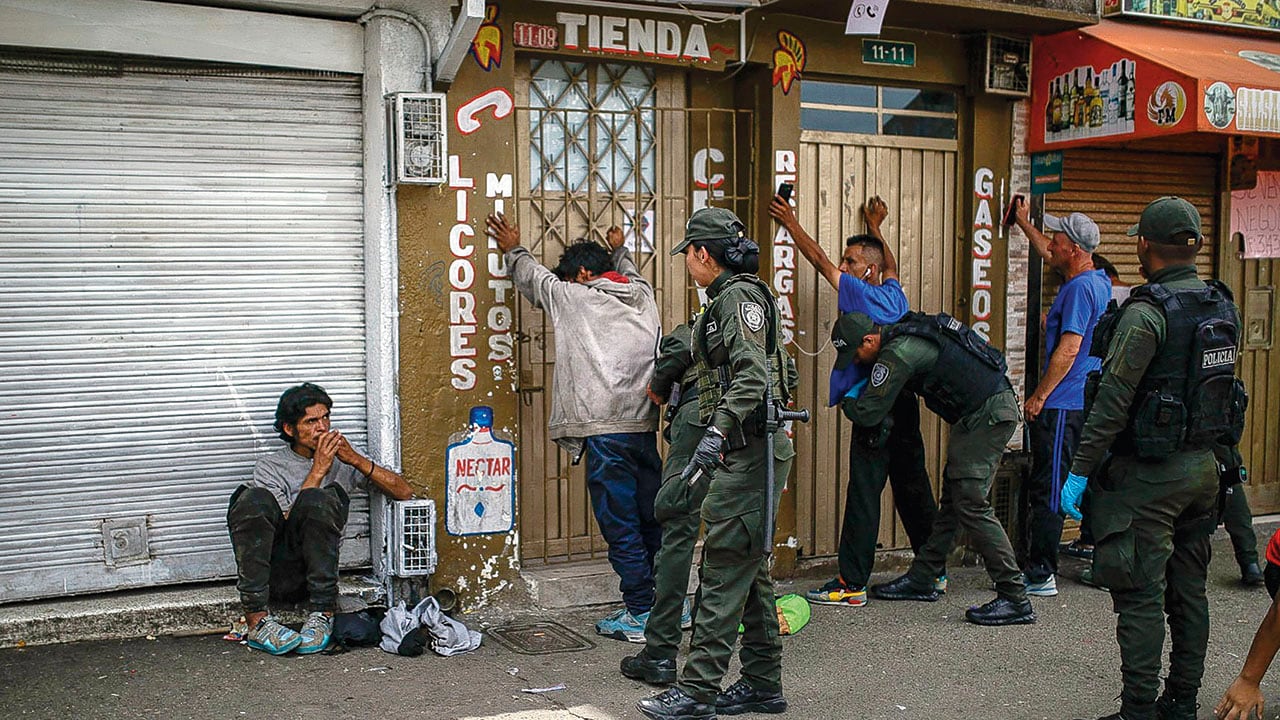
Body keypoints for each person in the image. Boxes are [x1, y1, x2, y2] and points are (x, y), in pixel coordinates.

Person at [1061, 196, 1244, 720]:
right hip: (1204, 472)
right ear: (1196, 245)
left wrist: (1079, 472)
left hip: (1150, 479)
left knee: (1141, 596)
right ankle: (1182, 703)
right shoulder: (1221, 305)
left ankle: (1138, 710)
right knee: (1189, 593)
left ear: (1143, 244)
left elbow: (1112, 402)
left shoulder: (1146, 314)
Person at [637, 207, 795, 720]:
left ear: (703, 254)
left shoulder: (734, 299)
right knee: (750, 574)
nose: (688, 263)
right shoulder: (732, 297)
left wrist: (716, 432)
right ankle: (762, 684)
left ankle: (698, 690)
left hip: (750, 453)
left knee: (723, 569)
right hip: (750, 451)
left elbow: (753, 376)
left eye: (688, 254)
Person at [486, 215, 663, 643]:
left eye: (572, 278)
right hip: (643, 428)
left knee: (620, 525)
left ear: (583, 274)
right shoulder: (642, 294)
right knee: (652, 520)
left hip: (605, 432)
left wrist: (513, 247)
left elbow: (534, 279)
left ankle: (642, 612)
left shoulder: (574, 296)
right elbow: (630, 270)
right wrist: (620, 249)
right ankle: (667, 604)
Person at [768, 193, 939, 608]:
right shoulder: (895, 295)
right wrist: (876, 228)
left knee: (864, 492)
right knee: (913, 486)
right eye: (845, 261)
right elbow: (892, 266)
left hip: (874, 406)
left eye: (852, 262)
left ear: (868, 271)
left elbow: (819, 261)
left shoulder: (860, 293)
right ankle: (934, 572)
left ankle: (851, 584)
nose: (843, 268)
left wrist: (791, 223)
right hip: (903, 403)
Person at [831, 311, 1032, 625]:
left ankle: (1014, 596)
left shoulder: (897, 352)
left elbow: (869, 412)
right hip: (978, 415)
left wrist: (847, 400)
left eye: (856, 353)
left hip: (987, 416)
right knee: (954, 500)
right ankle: (924, 577)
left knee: (971, 504)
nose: (857, 361)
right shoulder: (905, 333)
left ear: (869, 340)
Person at [226, 382, 413, 655]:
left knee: (323, 498)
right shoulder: (270, 467)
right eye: (311, 421)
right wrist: (317, 470)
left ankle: (323, 613)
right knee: (253, 498)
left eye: (325, 418)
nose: (322, 428)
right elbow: (288, 520)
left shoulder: (342, 460)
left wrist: (356, 460)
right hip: (275, 574)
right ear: (289, 429)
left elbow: (404, 492)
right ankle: (257, 621)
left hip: (319, 574)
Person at [1011, 199, 1111, 597]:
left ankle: (1041, 574)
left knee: (1050, 487)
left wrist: (1039, 397)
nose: (1051, 243)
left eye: (1057, 238)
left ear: (1075, 248)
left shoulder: (1080, 290)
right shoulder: (1097, 280)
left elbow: (1068, 350)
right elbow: (1048, 253)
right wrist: (1023, 222)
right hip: (1085, 401)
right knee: (1074, 482)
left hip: (1064, 403)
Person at [1216, 442, 1265, 587]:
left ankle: (1249, 562)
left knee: (1238, 511)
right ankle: (1249, 563)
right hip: (1203, 457)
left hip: (1222, 459)